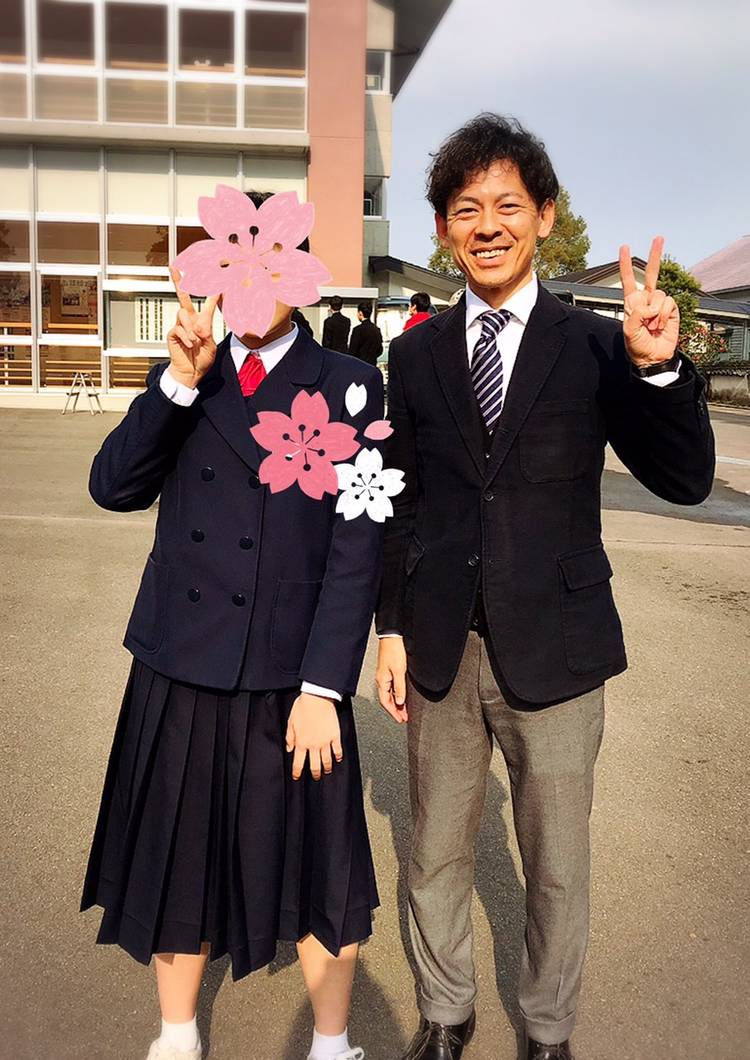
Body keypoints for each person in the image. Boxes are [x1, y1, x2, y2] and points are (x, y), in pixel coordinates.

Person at [375, 114, 715, 1060]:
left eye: (507, 206)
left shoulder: (597, 345)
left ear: (545, 217)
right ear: (442, 227)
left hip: (559, 645)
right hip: (442, 643)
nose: (487, 226)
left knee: (558, 866)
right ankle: (446, 1014)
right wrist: (390, 626)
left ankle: (549, 1029)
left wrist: (659, 369)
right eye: (466, 209)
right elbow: (401, 499)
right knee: (434, 850)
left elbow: (685, 478)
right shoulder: (418, 352)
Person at [81, 190, 385, 1060]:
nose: (252, 282)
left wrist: (326, 687)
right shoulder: (190, 371)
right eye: (232, 262)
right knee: (177, 855)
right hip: (181, 663)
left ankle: (332, 1043)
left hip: (293, 674)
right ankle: (177, 1033)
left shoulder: (349, 384)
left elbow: (357, 548)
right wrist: (179, 381)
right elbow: (112, 486)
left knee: (321, 869)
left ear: (302, 272)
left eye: (272, 261)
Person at [347, 302, 383, 367]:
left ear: (360, 313)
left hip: (359, 365)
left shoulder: (357, 330)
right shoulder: (376, 329)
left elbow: (352, 351)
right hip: (372, 365)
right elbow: (380, 350)